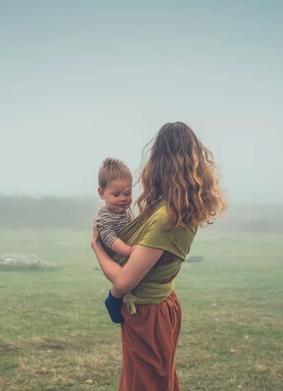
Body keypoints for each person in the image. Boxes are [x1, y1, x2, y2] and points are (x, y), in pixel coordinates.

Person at [90, 122, 226, 391]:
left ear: (160, 163)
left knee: (147, 385)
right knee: (155, 380)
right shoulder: (177, 207)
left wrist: (96, 245)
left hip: (149, 313)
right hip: (161, 305)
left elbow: (124, 281)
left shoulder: (166, 217)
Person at [96, 158, 135, 257]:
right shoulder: (105, 215)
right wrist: (129, 251)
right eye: (116, 195)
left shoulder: (127, 212)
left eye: (127, 193)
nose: (123, 198)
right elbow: (109, 238)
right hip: (120, 259)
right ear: (101, 193)